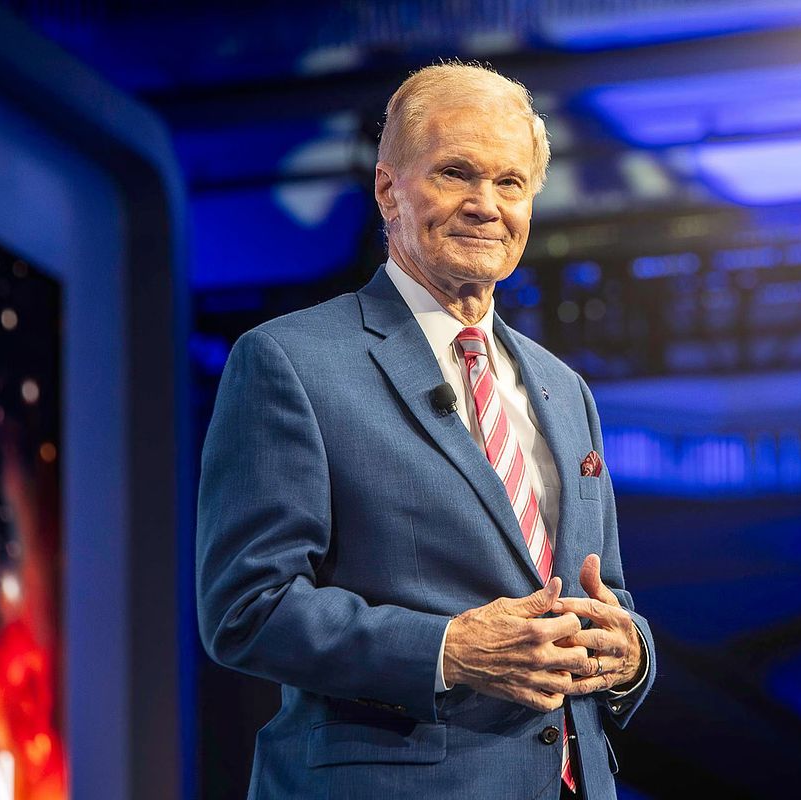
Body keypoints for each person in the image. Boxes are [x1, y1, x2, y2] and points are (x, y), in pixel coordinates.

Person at [196, 61, 656, 800]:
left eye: (510, 183)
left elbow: (611, 599)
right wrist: (450, 649)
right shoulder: (289, 361)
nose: (485, 205)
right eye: (455, 174)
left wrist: (631, 655)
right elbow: (247, 609)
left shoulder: (565, 390)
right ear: (388, 190)